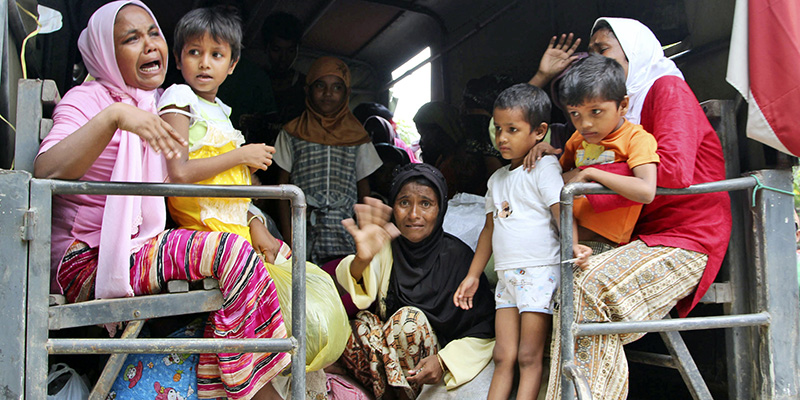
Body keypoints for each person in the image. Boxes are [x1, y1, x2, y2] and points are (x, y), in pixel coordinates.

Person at [33, 2, 289, 399]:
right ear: (105, 52)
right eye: (131, 39)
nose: (150, 44)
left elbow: (194, 179)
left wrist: (254, 219)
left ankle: (229, 383)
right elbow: (46, 170)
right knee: (231, 253)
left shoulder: (158, 105)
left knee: (271, 257)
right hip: (87, 259)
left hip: (139, 247)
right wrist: (114, 117)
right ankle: (248, 390)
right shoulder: (87, 100)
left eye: (153, 33)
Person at [526, 18, 731, 399]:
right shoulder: (613, 113)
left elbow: (673, 171)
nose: (596, 58)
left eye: (603, 49)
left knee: (587, 289)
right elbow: (581, 154)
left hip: (685, 236)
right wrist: (556, 159)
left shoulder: (665, 88)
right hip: (637, 235)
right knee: (558, 283)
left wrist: (588, 175)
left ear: (634, 52)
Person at [452, 83, 591, 400]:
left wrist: (573, 245)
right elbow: (489, 229)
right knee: (503, 355)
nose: (502, 138)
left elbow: (560, 210)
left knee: (529, 356)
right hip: (507, 278)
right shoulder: (496, 180)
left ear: (539, 131)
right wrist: (473, 275)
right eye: (498, 129)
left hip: (539, 274)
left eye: (512, 129)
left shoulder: (544, 168)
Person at [336, 163, 497, 399]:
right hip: (388, 361)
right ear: (393, 207)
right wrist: (362, 258)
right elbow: (359, 287)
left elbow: (485, 328)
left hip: (431, 365)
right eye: (404, 203)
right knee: (357, 327)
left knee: (408, 322)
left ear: (440, 209)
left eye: (425, 204)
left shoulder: (458, 258)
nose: (413, 214)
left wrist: (443, 361)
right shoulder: (386, 246)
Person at [158, 6, 281, 262]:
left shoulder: (221, 110)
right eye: (194, 52)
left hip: (232, 228)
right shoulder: (180, 97)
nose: (204, 63)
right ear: (178, 59)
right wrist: (240, 156)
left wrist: (246, 173)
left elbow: (217, 171)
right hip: (203, 229)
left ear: (232, 64)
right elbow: (179, 173)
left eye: (216, 54)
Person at [273, 56, 382, 265]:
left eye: (337, 87)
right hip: (304, 232)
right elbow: (282, 191)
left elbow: (364, 190)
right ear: (308, 90)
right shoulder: (291, 133)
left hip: (346, 234)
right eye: (320, 85)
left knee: (344, 280)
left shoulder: (358, 136)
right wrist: (289, 239)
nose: (328, 93)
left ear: (347, 93)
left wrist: (366, 235)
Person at [557, 54, 659, 247]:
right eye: (575, 114)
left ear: (623, 106)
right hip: (566, 238)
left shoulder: (636, 139)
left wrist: (591, 173)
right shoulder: (578, 139)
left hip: (604, 244)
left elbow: (646, 191)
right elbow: (555, 178)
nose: (585, 124)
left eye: (596, 111)